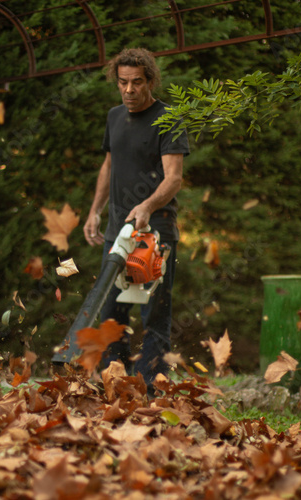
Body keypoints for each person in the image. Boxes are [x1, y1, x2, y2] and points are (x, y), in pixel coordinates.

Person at [83, 48, 190, 396]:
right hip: (117, 233)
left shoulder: (168, 118)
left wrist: (146, 205)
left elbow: (173, 178)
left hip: (155, 233)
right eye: (123, 83)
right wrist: (94, 210)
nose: (129, 90)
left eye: (137, 83)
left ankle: (151, 391)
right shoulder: (114, 116)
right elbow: (109, 165)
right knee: (111, 315)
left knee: (153, 316)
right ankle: (114, 388)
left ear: (150, 81)